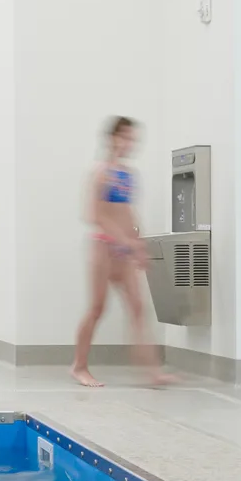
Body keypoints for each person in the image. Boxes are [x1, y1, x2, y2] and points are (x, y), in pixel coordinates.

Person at [70, 117, 173, 388]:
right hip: (103, 248)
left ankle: (153, 372)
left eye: (133, 138)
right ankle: (79, 366)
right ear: (112, 138)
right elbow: (94, 214)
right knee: (97, 308)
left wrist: (138, 243)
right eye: (125, 137)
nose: (129, 143)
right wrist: (124, 241)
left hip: (124, 250)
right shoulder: (100, 172)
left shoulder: (127, 174)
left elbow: (128, 212)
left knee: (138, 308)